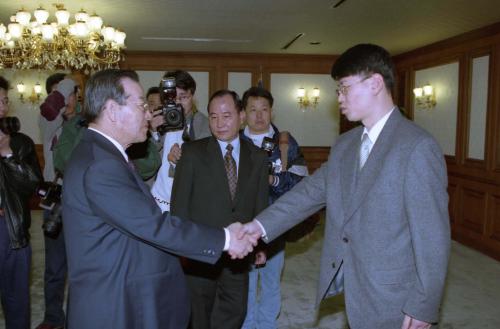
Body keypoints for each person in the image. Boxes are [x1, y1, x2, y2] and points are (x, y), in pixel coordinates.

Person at [242, 44, 451, 329]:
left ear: (376, 83)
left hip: (395, 299)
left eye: (344, 88)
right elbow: (309, 193)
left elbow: (432, 237)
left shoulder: (416, 147)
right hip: (355, 290)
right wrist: (257, 227)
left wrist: (424, 305)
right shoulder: (345, 144)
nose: (338, 97)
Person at [62, 69, 256, 329]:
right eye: (142, 104)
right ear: (111, 110)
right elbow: (153, 225)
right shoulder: (101, 165)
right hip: (114, 302)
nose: (149, 113)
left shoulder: (100, 153)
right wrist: (226, 239)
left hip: (123, 290)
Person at [170, 90, 269, 329]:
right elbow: (179, 205)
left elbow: (260, 204)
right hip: (200, 251)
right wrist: (181, 248)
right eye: (213, 117)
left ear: (241, 116)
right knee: (199, 313)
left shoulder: (257, 157)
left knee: (235, 310)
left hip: (240, 252)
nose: (219, 123)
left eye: (226, 115)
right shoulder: (192, 153)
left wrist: (262, 244)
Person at [240, 87, 308, 329]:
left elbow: (302, 184)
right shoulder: (235, 143)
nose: (259, 116)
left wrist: (275, 180)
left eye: (264, 110)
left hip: (275, 226)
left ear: (272, 112)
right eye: (253, 110)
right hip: (243, 228)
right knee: (244, 286)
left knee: (271, 282)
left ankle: (267, 324)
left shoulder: (284, 144)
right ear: (243, 113)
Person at [0, 76, 43, 329]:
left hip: (10, 227)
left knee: (17, 301)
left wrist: (7, 155)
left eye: (4, 101)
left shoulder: (20, 142)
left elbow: (32, 185)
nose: (3, 108)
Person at [37, 73, 78, 329]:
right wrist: (69, 79)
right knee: (54, 267)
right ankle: (53, 319)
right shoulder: (48, 121)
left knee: (79, 267)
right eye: (59, 95)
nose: (64, 101)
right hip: (54, 199)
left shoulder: (87, 123)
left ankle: (77, 317)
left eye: (70, 94)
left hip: (80, 201)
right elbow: (54, 105)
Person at [151, 70, 211, 212]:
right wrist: (153, 132)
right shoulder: (159, 119)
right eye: (172, 98)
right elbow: (145, 165)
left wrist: (181, 159)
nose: (178, 103)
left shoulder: (204, 125)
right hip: (156, 198)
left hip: (189, 202)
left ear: (192, 96)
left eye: (183, 97)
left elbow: (207, 165)